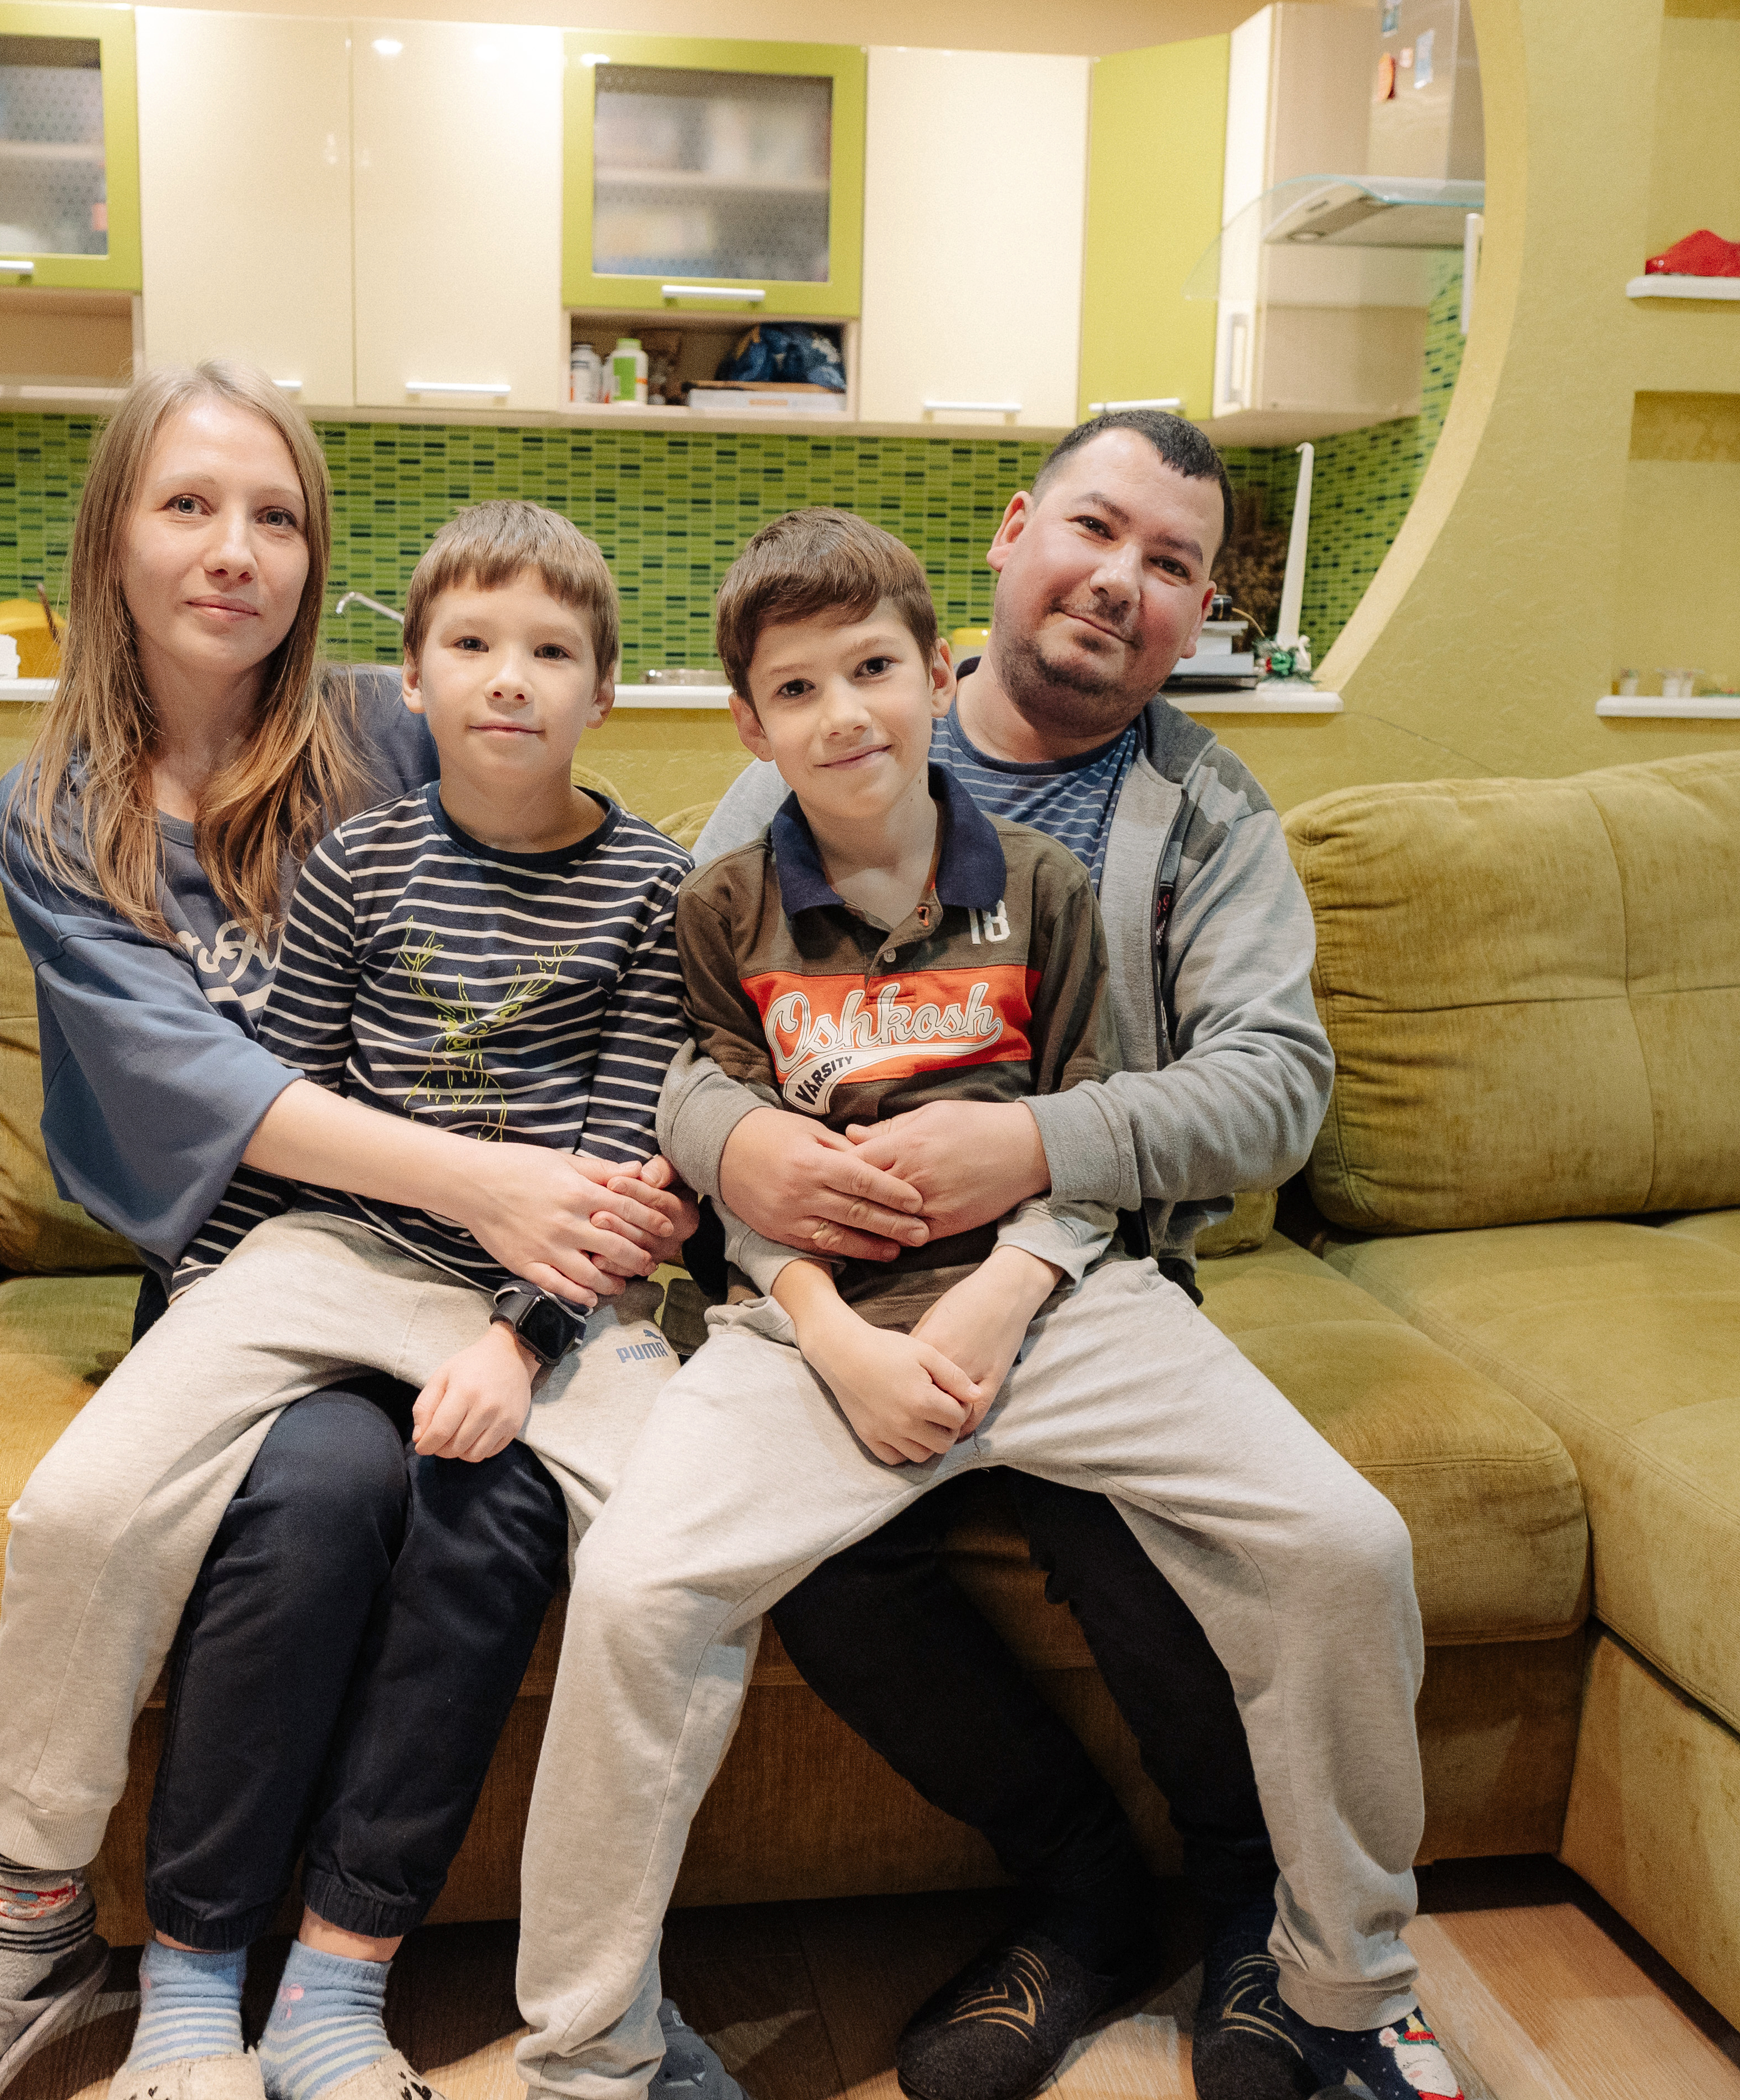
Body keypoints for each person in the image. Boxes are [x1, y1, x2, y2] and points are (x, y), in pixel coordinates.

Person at [510, 502, 1453, 2100]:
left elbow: (1104, 1132)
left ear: (928, 667)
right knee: (636, 1591)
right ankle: (587, 2049)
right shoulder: (721, 899)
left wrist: (1000, 1294)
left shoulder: (1053, 879)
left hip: (1060, 1298)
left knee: (1343, 1542)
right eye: (795, 691)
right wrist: (830, 1332)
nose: (843, 714)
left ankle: (1348, 1986)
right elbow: (718, 1154)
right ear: (747, 722)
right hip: (808, 1332)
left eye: (872, 669)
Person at [0, 367, 702, 2100]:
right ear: (110, 536)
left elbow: (615, 896)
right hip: (262, 1263)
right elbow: (203, 1080)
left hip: (489, 1283)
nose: (234, 551)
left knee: (454, 1498)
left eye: (277, 516)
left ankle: (377, 1985)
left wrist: (645, 1172)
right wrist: (498, 1189)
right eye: (187, 506)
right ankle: (56, 1933)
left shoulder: (398, 725)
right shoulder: (50, 814)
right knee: (301, 1487)